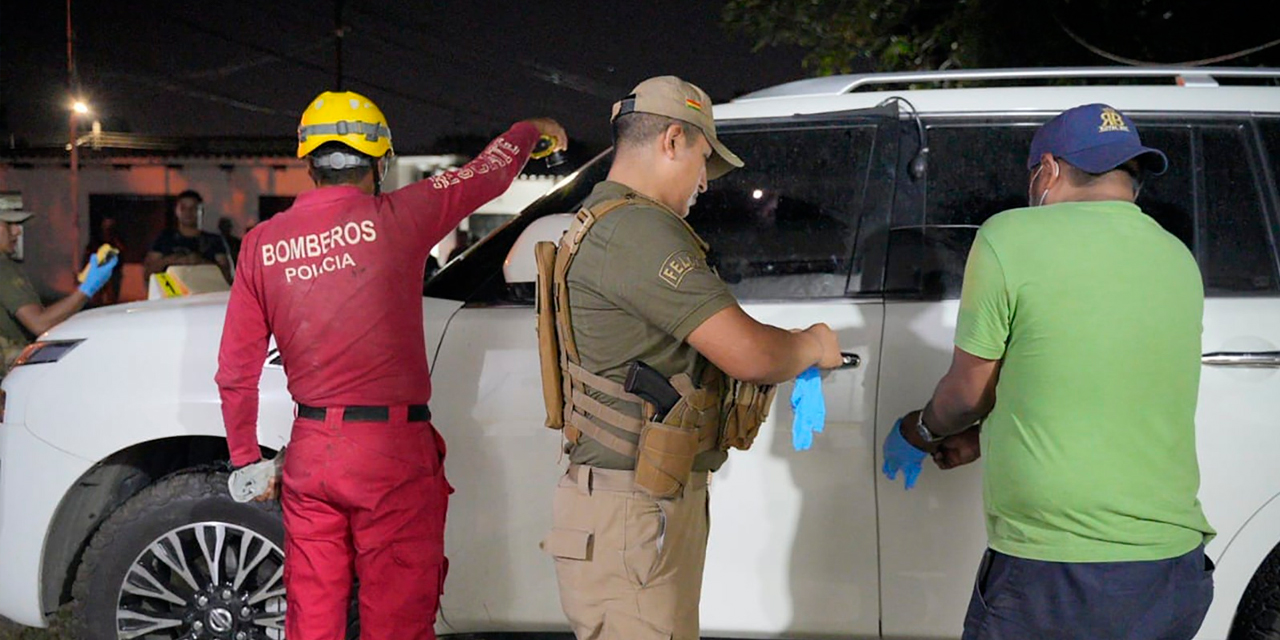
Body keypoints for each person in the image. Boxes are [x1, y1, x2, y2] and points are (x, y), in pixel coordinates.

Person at [215, 89, 566, 640]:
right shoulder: (400, 217)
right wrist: (529, 128)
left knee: (313, 621)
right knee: (397, 620)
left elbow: (236, 370)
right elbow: (485, 174)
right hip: (390, 455)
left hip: (309, 455)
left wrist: (244, 460)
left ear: (308, 162)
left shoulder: (261, 244)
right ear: (380, 161)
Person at [881, 103, 1216, 640]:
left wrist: (920, 430)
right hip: (1172, 568)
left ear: (1048, 171)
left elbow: (967, 395)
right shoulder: (1176, 255)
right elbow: (1096, 387)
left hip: (1059, 571)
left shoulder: (1009, 237)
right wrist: (988, 438)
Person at [539, 76, 843, 640]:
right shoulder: (636, 230)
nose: (704, 182)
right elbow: (748, 353)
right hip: (632, 507)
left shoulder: (612, 223)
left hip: (638, 503)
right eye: (703, 159)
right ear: (672, 140)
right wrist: (811, 344)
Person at [1, 210, 117, 374]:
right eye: (8, 224)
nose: (17, 231)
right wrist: (87, 290)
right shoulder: (3, 267)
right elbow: (39, 323)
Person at [143, 189, 231, 284]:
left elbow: (227, 275)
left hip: (204, 293)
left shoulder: (215, 240)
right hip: (174, 295)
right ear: (176, 210)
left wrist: (201, 262)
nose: (188, 212)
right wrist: (172, 260)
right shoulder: (164, 238)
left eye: (193, 208)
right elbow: (148, 273)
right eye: (183, 208)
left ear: (201, 211)